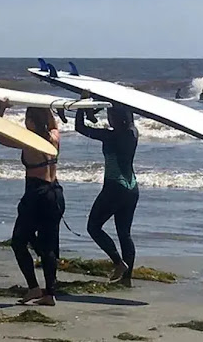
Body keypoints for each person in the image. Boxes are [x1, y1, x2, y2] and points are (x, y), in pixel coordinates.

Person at [0, 100, 64, 306]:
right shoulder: (54, 138)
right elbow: (55, 125)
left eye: (26, 119)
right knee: (48, 245)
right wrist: (46, 106)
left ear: (31, 121)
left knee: (19, 242)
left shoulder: (28, 141)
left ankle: (33, 288)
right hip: (56, 194)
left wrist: (2, 109)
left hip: (36, 195)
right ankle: (50, 293)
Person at [75, 104, 139, 287]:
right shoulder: (133, 133)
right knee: (124, 234)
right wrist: (92, 112)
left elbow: (80, 128)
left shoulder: (110, 136)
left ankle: (118, 263)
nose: (109, 119)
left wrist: (83, 107)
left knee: (93, 227)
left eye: (110, 115)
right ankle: (126, 280)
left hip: (114, 187)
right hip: (132, 188)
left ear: (117, 118)